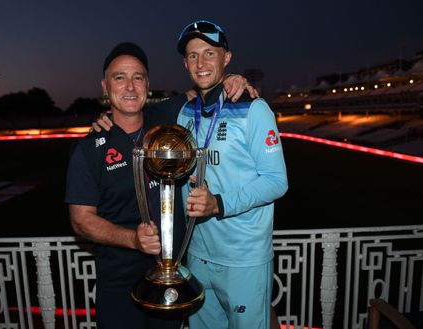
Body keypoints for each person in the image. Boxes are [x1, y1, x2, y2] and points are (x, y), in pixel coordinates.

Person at [66, 42, 256, 329]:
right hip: (120, 286)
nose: (130, 87)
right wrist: (132, 239)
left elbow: (204, 89)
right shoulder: (89, 148)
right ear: (105, 86)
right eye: (119, 78)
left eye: (138, 77)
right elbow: (80, 221)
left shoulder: (169, 116)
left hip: (176, 279)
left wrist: (232, 79)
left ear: (148, 85)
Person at [176, 20, 288, 329]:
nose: (201, 62)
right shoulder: (185, 112)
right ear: (185, 63)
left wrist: (219, 204)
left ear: (227, 58)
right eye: (193, 55)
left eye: (210, 53)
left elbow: (277, 181)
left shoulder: (254, 108)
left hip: (243, 259)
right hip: (197, 253)